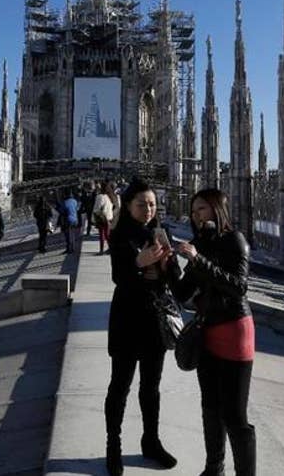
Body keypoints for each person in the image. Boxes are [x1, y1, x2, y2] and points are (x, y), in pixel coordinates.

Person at [172, 188, 257, 476]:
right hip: (206, 329)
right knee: (210, 406)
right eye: (194, 211)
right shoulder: (201, 244)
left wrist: (198, 260)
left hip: (234, 330)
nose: (196, 216)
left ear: (217, 210)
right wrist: (166, 264)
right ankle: (213, 469)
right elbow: (183, 293)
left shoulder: (235, 240)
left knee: (234, 415)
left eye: (202, 210)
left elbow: (238, 287)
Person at [104, 178, 180, 475]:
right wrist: (138, 262)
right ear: (129, 206)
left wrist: (168, 264)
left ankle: (151, 441)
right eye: (141, 204)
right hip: (126, 319)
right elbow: (119, 278)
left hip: (154, 322)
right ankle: (114, 447)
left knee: (151, 387)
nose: (148, 209)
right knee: (120, 386)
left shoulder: (162, 233)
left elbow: (171, 277)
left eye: (152, 204)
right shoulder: (120, 235)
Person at [93, 181, 115, 255]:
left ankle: (101, 250)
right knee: (107, 234)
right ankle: (111, 248)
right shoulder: (109, 196)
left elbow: (96, 209)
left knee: (102, 234)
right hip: (109, 217)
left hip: (102, 218)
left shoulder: (100, 197)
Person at [62, 190, 81, 254]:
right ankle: (72, 248)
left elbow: (62, 211)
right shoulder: (75, 201)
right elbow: (77, 209)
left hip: (68, 220)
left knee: (68, 235)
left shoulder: (65, 202)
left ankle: (70, 249)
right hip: (75, 220)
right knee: (72, 234)